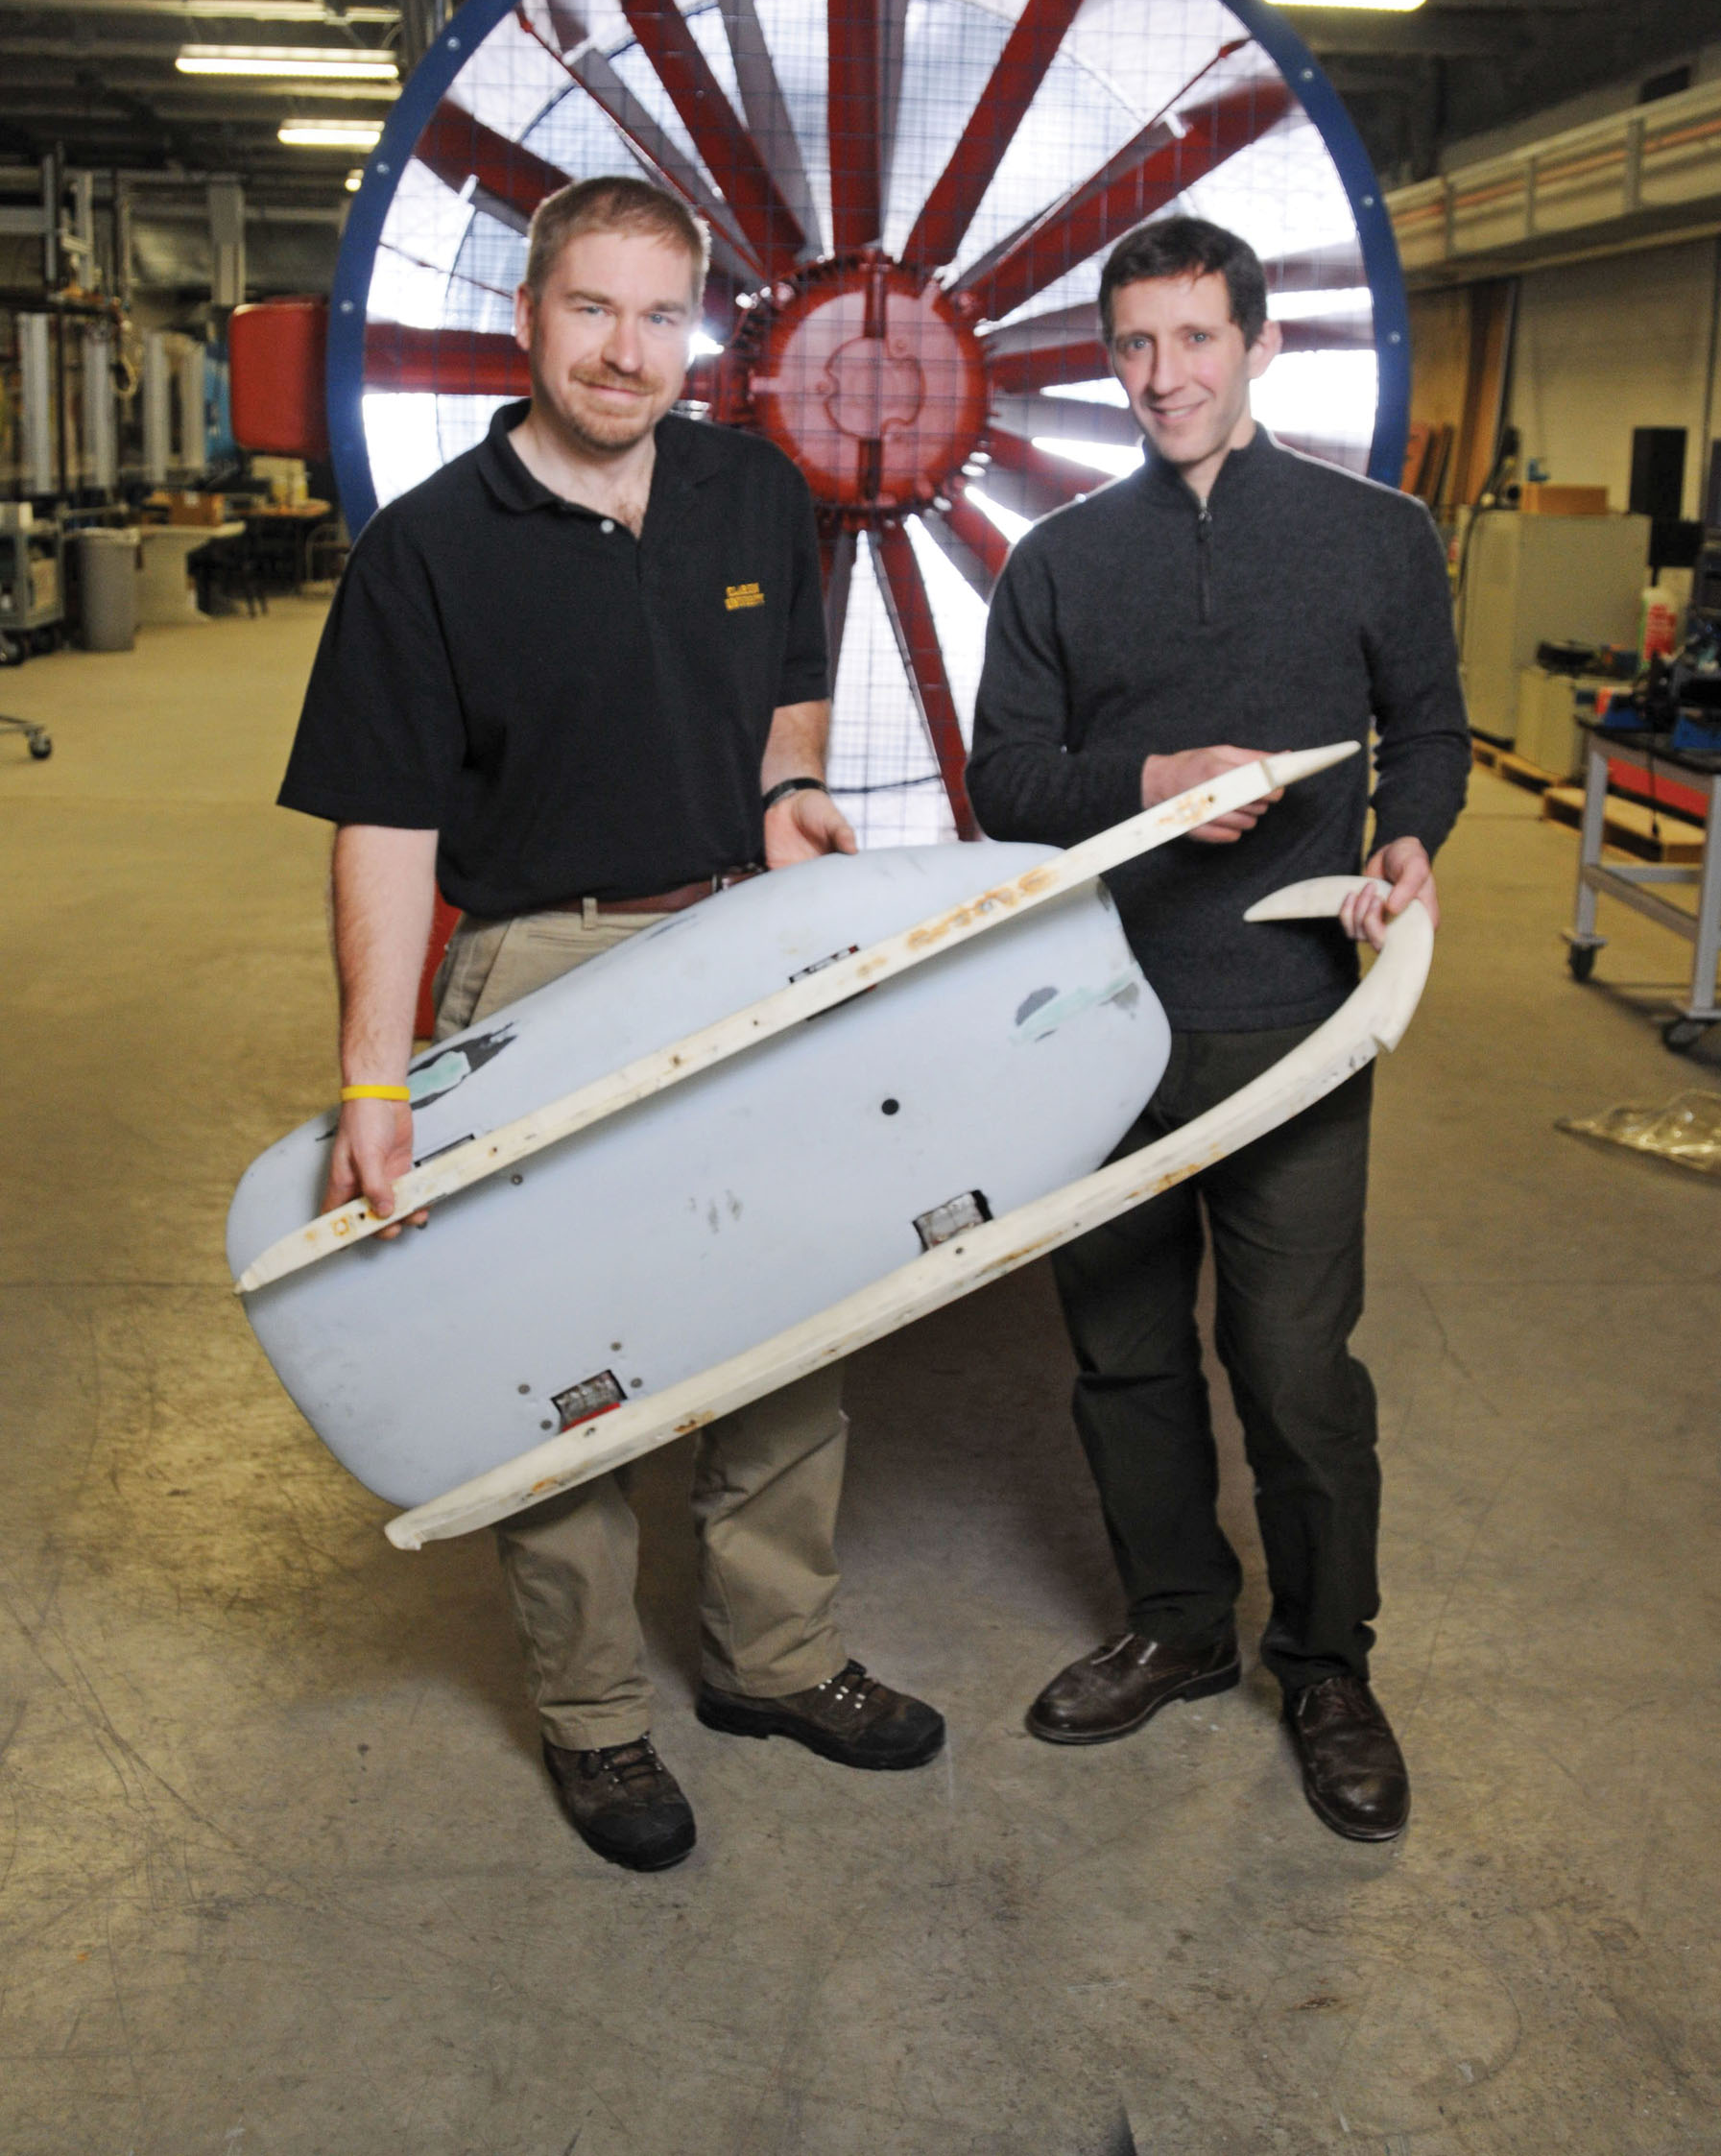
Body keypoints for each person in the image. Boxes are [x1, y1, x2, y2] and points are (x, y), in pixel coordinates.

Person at [278, 174, 944, 1875]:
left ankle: (770, 1657)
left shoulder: (750, 492)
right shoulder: (426, 555)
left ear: (698, 332)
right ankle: (591, 1716)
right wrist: (374, 1073)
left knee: (800, 1308)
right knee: (558, 1364)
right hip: (540, 969)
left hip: (740, 933)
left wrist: (790, 786)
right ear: (529, 319)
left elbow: (791, 681)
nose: (626, 350)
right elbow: (385, 827)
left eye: (661, 316)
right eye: (592, 310)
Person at [966, 213, 1468, 1843]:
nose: (1161, 375)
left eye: (1192, 339)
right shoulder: (1056, 564)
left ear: (1257, 345)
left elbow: (1430, 728)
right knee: (1121, 1354)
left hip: (1289, 1024)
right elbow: (1005, 784)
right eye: (1132, 345)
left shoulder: (1373, 535)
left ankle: (1326, 1664)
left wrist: (1410, 839)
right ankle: (1178, 1621)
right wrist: (1148, 788)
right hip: (1092, 1029)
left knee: (1295, 1368)